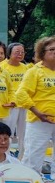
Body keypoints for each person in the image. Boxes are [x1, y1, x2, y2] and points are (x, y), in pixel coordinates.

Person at [15, 36, 55, 174]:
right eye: (52, 49)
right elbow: (21, 93)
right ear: (42, 52)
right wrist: (37, 112)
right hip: (39, 120)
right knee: (33, 157)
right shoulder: (34, 71)